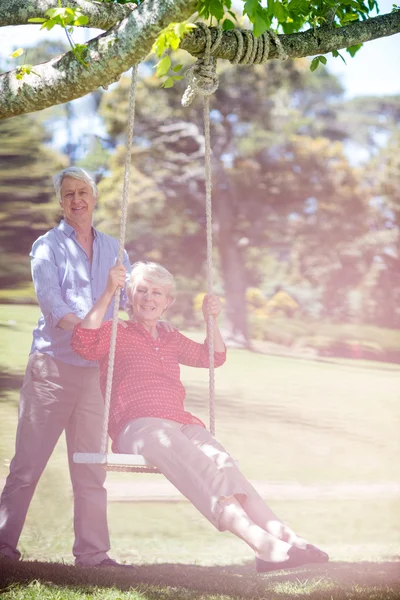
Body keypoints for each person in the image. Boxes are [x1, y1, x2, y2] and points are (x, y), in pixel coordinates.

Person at [71, 261, 329, 573]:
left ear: (168, 302)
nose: (149, 298)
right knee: (197, 465)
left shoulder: (168, 336)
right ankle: (263, 545)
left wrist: (211, 320)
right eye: (141, 290)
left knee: (224, 464)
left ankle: (285, 536)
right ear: (130, 296)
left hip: (182, 423)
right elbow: (82, 343)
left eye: (157, 293)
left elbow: (214, 356)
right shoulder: (115, 331)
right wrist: (108, 291)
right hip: (140, 427)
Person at [0, 167, 133, 568]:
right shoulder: (47, 247)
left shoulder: (116, 250)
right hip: (51, 370)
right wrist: (95, 323)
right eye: (69, 194)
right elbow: (55, 309)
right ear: (61, 202)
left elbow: (129, 309)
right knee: (27, 465)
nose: (77, 199)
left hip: (94, 377)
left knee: (90, 468)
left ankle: (92, 553)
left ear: (94, 198)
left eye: (83, 192)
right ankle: (3, 547)